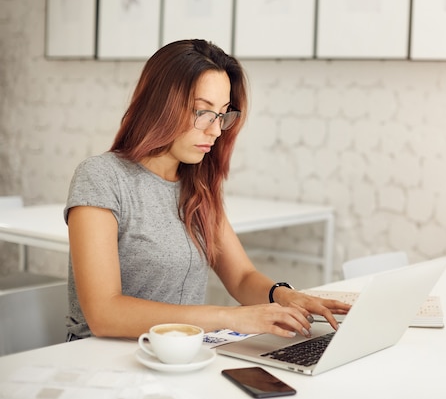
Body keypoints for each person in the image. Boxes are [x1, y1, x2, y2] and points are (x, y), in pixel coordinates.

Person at [64, 39, 350, 341]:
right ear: (159, 105)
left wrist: (284, 296)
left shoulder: (197, 184)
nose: (215, 130)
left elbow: (241, 277)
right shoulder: (102, 177)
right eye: (203, 112)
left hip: (182, 356)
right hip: (104, 361)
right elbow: (104, 314)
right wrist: (228, 316)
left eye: (223, 114)